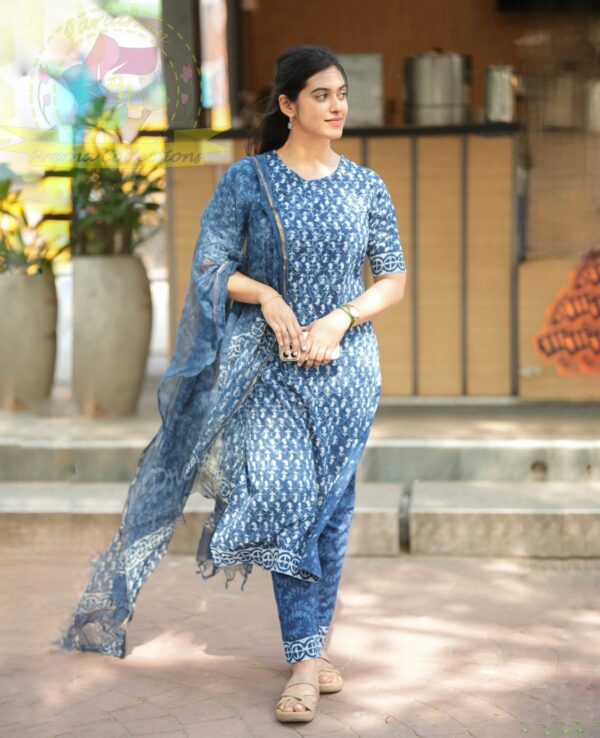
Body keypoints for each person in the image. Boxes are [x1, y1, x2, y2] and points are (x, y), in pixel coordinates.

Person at [57, 43, 407, 725]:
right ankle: (304, 663)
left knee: (332, 511)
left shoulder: (367, 186)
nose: (337, 106)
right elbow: (210, 264)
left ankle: (311, 647)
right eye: (322, 95)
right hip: (270, 367)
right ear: (287, 105)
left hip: (346, 368)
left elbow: (391, 278)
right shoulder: (248, 180)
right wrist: (268, 296)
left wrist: (341, 319)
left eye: (342, 94)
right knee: (284, 497)